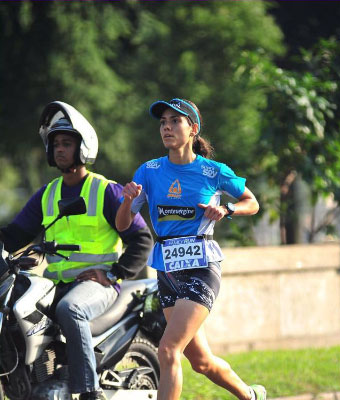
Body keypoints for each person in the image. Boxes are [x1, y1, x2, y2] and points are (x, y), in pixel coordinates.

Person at [0, 101, 153, 400]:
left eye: (66, 143)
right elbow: (14, 234)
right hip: (58, 283)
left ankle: (88, 390)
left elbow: (142, 238)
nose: (59, 149)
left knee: (70, 309)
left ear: (82, 148)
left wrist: (115, 273)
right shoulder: (48, 194)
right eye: (55, 144)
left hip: (97, 285)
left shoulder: (106, 190)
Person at [115, 98, 266, 400]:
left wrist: (227, 209)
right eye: (162, 122)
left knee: (169, 349)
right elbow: (121, 225)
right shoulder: (149, 171)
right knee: (201, 362)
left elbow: (253, 202)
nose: (167, 127)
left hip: (201, 268)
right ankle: (251, 396)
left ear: (193, 129)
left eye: (175, 121)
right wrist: (129, 200)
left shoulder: (213, 171)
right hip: (167, 271)